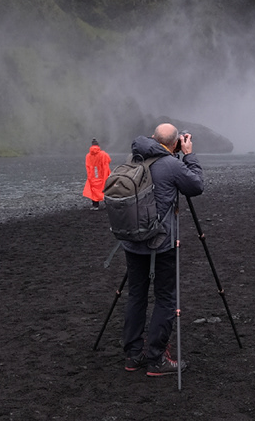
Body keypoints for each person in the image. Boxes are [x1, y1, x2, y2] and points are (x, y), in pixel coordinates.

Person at [120, 123, 203, 377]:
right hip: (162, 242)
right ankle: (157, 359)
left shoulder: (133, 158)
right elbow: (196, 186)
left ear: (154, 140)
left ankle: (133, 356)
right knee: (166, 299)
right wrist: (189, 156)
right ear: (174, 143)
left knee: (137, 295)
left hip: (132, 241)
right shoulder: (172, 165)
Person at [81, 138, 111, 209]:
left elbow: (87, 166)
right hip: (102, 175)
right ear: (98, 146)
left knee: (93, 190)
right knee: (105, 188)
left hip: (93, 175)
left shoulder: (88, 156)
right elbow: (109, 160)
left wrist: (89, 175)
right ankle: (108, 204)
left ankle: (95, 206)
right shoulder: (103, 154)